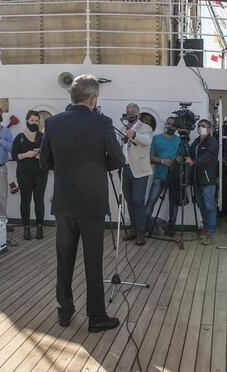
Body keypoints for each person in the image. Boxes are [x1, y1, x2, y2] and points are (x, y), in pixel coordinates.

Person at [39, 74, 123, 333]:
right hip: (93, 205)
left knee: (64, 260)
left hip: (64, 204)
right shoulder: (103, 123)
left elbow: (44, 162)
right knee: (93, 262)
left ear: (72, 97)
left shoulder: (53, 123)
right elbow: (118, 160)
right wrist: (99, 167)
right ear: (93, 99)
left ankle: (64, 312)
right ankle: (96, 317)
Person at [11, 110, 48, 240]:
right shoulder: (19, 137)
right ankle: (26, 228)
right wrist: (27, 154)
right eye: (32, 120)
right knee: (25, 201)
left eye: (37, 121)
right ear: (27, 121)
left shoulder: (43, 137)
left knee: (39, 201)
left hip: (40, 174)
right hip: (24, 174)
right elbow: (14, 155)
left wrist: (40, 155)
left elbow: (49, 153)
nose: (35, 123)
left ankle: (39, 227)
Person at [120, 103, 153, 246]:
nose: (129, 114)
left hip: (140, 170)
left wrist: (133, 134)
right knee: (129, 200)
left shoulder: (146, 128)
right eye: (127, 111)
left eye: (132, 111)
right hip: (125, 169)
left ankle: (141, 232)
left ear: (138, 114)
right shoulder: (122, 128)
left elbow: (146, 141)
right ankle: (133, 229)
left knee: (138, 201)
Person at [144, 116, 181, 235]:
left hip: (174, 177)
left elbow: (183, 158)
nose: (170, 126)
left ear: (176, 128)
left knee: (173, 203)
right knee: (151, 201)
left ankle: (171, 227)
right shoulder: (156, 139)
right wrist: (163, 161)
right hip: (159, 176)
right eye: (168, 123)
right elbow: (150, 157)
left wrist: (178, 160)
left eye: (173, 125)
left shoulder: (179, 140)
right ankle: (145, 227)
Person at [188, 119, 219, 245]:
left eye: (204, 126)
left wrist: (194, 161)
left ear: (210, 129)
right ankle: (206, 227)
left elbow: (208, 156)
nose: (201, 128)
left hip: (208, 180)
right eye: (199, 126)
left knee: (209, 205)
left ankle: (210, 232)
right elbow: (190, 153)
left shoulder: (212, 141)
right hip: (196, 179)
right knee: (201, 205)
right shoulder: (195, 142)